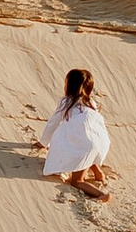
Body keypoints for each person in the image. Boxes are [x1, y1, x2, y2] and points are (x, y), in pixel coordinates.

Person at [42, 65, 111, 194]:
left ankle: (101, 195)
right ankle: (97, 172)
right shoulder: (91, 103)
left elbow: (53, 123)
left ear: (69, 86)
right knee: (85, 147)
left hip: (85, 145)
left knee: (77, 181)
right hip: (101, 142)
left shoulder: (66, 102)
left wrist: (43, 142)